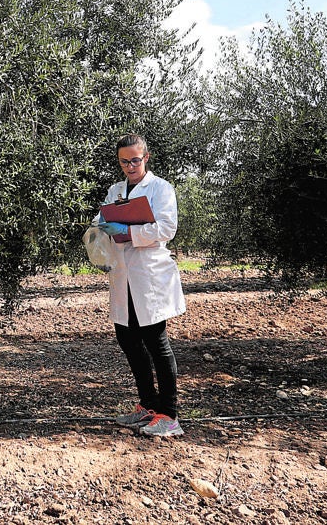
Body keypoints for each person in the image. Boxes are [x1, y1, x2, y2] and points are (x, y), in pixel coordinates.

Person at [94, 133, 186, 438]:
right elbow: (101, 217)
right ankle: (147, 405)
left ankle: (169, 415)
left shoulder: (160, 189)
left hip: (150, 276)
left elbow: (167, 228)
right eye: (124, 161)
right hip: (123, 276)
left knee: (156, 343)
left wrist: (128, 230)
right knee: (128, 340)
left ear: (145, 157)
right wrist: (102, 226)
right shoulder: (115, 190)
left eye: (135, 160)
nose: (130, 166)